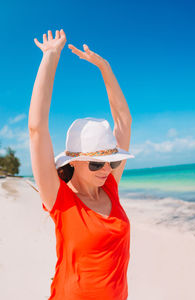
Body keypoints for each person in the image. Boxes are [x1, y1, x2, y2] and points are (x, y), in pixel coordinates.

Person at [28, 29, 134, 300]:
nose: (108, 169)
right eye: (97, 164)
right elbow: (37, 129)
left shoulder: (109, 186)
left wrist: (104, 67)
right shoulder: (60, 201)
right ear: (74, 162)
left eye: (112, 161)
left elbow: (123, 122)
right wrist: (51, 55)